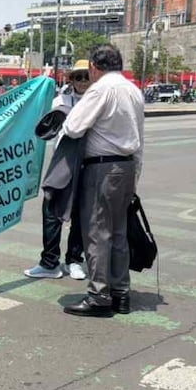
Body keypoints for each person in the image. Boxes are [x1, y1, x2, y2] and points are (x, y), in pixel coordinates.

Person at [61, 45, 144, 316]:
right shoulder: (133, 90)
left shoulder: (101, 89)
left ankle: (99, 295)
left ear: (95, 67)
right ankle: (121, 294)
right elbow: (140, 138)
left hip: (102, 169)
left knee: (97, 232)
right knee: (119, 233)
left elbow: (73, 127)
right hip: (126, 166)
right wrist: (135, 176)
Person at [24, 59, 91, 281]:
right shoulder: (61, 100)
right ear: (71, 80)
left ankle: (74, 260)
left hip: (88, 163)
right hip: (62, 163)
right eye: (78, 77)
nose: (82, 81)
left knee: (81, 214)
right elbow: (54, 128)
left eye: (86, 76)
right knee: (51, 211)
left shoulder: (99, 100)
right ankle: (49, 261)